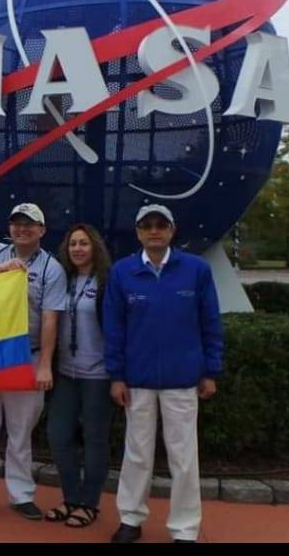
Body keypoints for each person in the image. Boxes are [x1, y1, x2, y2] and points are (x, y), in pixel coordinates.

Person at [104, 205, 224, 544]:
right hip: (137, 380)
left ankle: (185, 529)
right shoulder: (122, 272)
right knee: (137, 453)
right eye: (147, 225)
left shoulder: (196, 270)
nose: (154, 231)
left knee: (184, 458)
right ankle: (130, 518)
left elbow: (210, 323)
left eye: (160, 225)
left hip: (183, 379)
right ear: (138, 232)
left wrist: (210, 371)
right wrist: (116, 375)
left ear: (172, 230)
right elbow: (114, 328)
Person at [0, 203, 67, 520]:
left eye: (30, 224)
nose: (22, 229)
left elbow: (50, 319)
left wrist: (45, 364)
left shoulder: (52, 269)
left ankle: (21, 494)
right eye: (17, 223)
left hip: (26, 356)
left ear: (42, 230)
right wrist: (1, 271)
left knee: (21, 431)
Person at [44, 224, 113, 529]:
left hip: (98, 375)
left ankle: (89, 503)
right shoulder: (63, 280)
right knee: (58, 436)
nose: (78, 249)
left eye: (84, 243)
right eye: (73, 243)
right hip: (67, 374)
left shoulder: (107, 282)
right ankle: (71, 497)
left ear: (95, 247)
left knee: (95, 440)